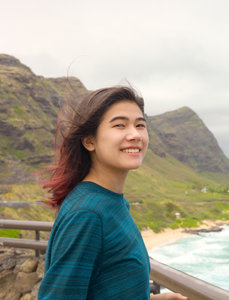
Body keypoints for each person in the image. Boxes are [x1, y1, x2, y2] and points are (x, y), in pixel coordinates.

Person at [38, 86, 187, 300]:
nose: (135, 135)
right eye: (120, 125)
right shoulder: (88, 214)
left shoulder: (111, 201)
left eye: (140, 125)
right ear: (89, 141)